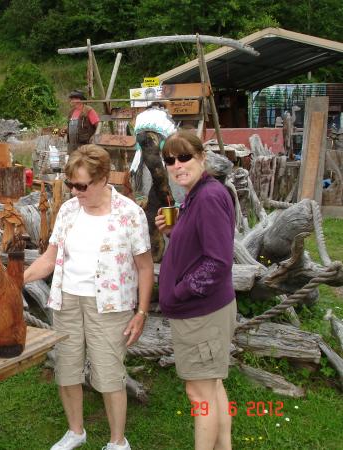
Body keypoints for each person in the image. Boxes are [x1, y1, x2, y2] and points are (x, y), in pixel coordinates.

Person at [24, 145, 154, 450]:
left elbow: (145, 268)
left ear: (103, 179)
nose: (75, 191)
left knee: (109, 375)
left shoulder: (130, 214)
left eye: (82, 185)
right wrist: (16, 279)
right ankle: (76, 431)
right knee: (66, 369)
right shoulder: (69, 209)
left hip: (110, 306)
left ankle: (117, 442)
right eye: (71, 184)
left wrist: (142, 313)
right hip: (67, 300)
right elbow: (49, 258)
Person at [154, 131, 236, 450]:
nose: (177, 165)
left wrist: (177, 293)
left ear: (202, 157)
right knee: (212, 388)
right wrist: (176, 231)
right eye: (170, 160)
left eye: (184, 157)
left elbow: (217, 262)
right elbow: (199, 248)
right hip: (204, 313)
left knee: (199, 395)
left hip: (202, 314)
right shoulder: (196, 194)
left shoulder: (209, 196)